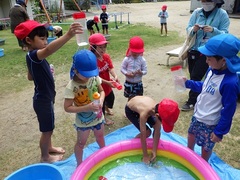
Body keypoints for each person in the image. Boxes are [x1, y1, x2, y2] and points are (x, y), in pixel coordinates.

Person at [14, 20, 83, 163]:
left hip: (44, 98)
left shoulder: (31, 57)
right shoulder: (35, 55)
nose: (45, 42)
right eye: (42, 38)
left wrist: (46, 72)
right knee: (47, 130)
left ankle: (49, 147)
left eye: (46, 38)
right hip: (43, 100)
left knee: (48, 128)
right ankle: (45, 156)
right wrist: (69, 35)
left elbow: (30, 77)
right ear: (28, 40)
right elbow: (48, 50)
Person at [178, 34, 240, 161]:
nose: (206, 61)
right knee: (191, 134)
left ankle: (203, 164)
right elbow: (205, 86)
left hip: (211, 122)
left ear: (224, 60)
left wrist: (219, 132)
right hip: (198, 115)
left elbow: (229, 110)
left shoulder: (230, 83)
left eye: (209, 58)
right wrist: (188, 83)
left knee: (206, 146)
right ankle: (188, 157)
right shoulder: (212, 69)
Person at [181, 0, 230, 111]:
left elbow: (225, 33)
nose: (205, 3)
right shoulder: (197, 12)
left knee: (196, 75)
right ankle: (200, 93)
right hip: (194, 49)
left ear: (215, 2)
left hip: (209, 51)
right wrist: (193, 29)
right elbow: (188, 28)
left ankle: (192, 101)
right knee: (193, 74)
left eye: (208, 1)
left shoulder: (222, 14)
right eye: (203, 1)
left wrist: (213, 30)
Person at [64, 50, 105, 167]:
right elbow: (67, 108)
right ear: (75, 70)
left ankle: (105, 155)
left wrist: (101, 100)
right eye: (85, 74)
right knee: (81, 144)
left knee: (101, 137)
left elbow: (101, 91)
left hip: (98, 117)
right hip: (83, 122)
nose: (89, 77)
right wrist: (86, 107)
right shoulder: (71, 87)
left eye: (91, 73)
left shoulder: (94, 78)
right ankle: (79, 164)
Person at [125, 96, 180, 164]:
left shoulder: (160, 109)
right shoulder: (144, 114)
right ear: (156, 115)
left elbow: (157, 130)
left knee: (157, 125)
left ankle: (142, 145)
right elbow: (143, 135)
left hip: (144, 106)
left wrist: (154, 151)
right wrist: (145, 156)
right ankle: (134, 142)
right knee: (148, 132)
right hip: (131, 111)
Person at [89, 33, 119, 125]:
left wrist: (115, 76)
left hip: (108, 86)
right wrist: (107, 82)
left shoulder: (106, 56)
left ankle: (107, 107)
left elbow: (110, 67)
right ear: (93, 47)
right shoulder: (91, 60)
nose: (103, 49)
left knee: (110, 99)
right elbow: (94, 78)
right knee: (100, 104)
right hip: (97, 88)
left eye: (104, 47)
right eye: (100, 47)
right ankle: (104, 118)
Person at [121, 36, 147, 101]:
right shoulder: (127, 59)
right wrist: (127, 73)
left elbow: (145, 71)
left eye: (137, 52)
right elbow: (122, 69)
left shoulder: (142, 60)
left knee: (138, 98)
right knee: (130, 98)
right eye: (133, 51)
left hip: (138, 83)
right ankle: (129, 109)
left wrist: (141, 72)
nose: (135, 53)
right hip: (129, 82)